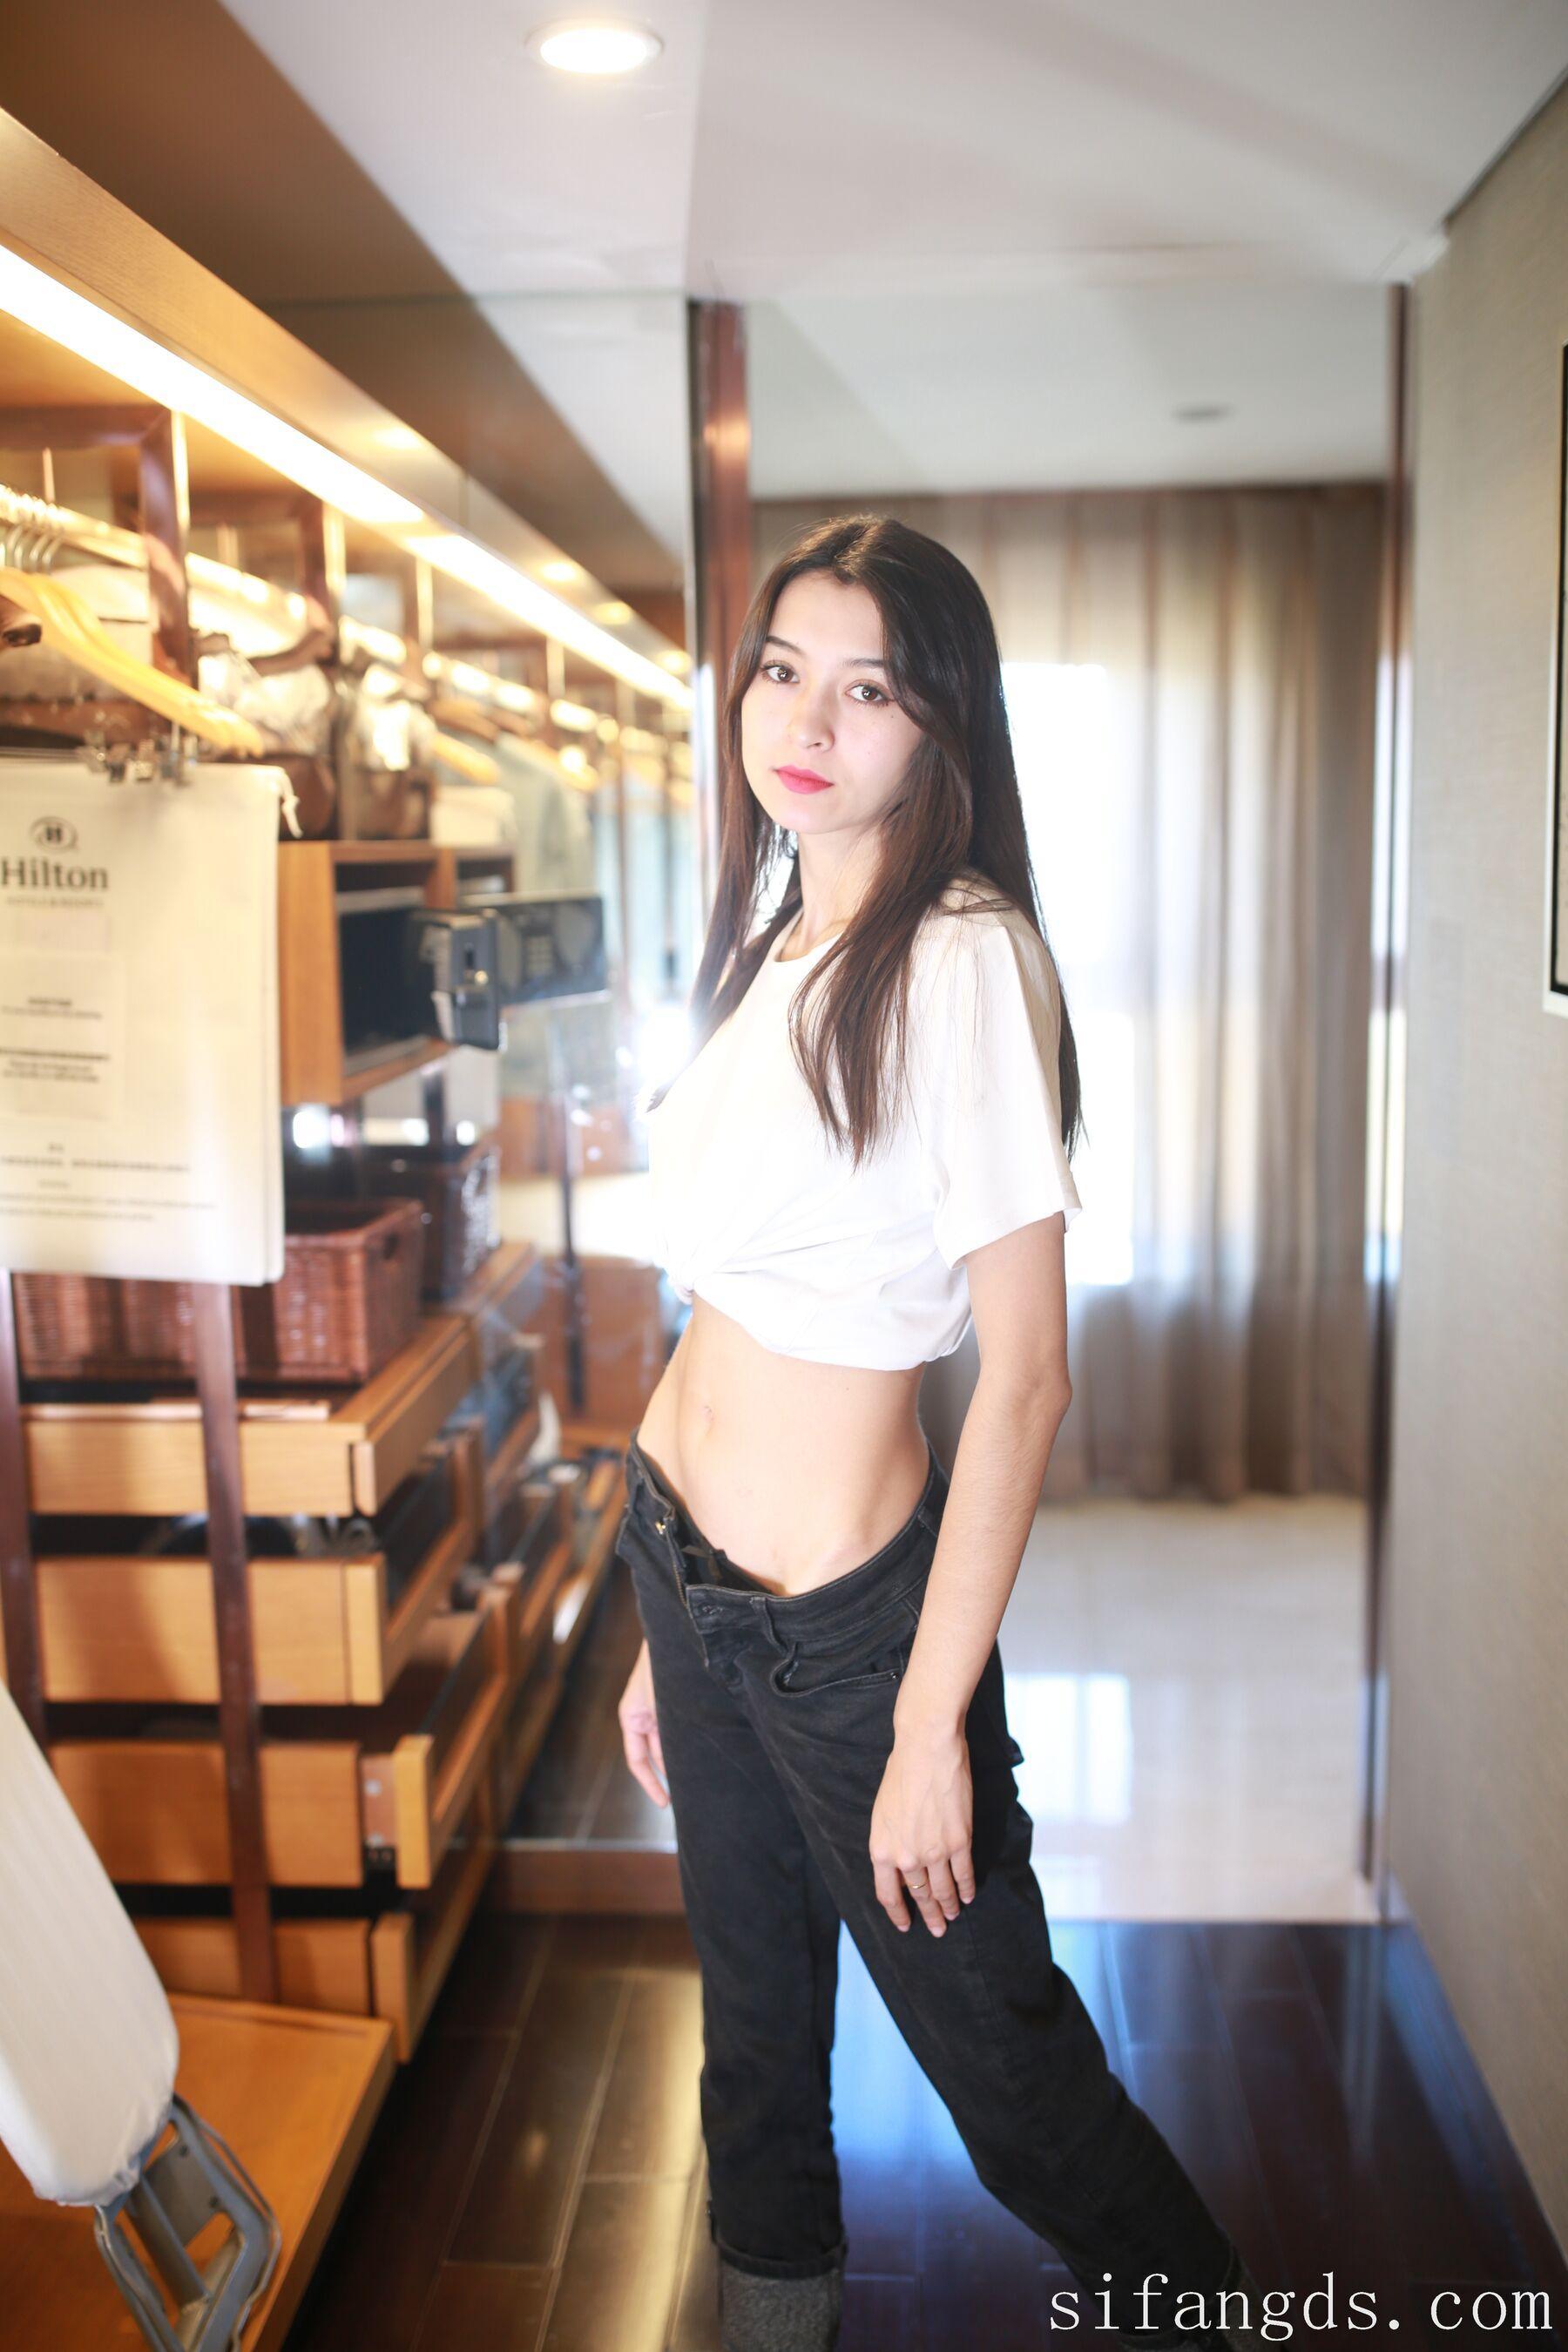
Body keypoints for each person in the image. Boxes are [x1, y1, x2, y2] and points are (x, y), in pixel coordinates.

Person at [614, 514, 1266, 2350]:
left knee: (1015, 2088)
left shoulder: (965, 957)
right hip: (683, 1563)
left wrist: (926, 1731)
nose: (809, 719)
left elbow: (1027, 1378)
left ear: (940, 726)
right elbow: (724, 1305)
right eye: (784, 670)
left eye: (871, 688)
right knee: (753, 2045)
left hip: (847, 1639)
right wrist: (659, 1624)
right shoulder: (772, 936)